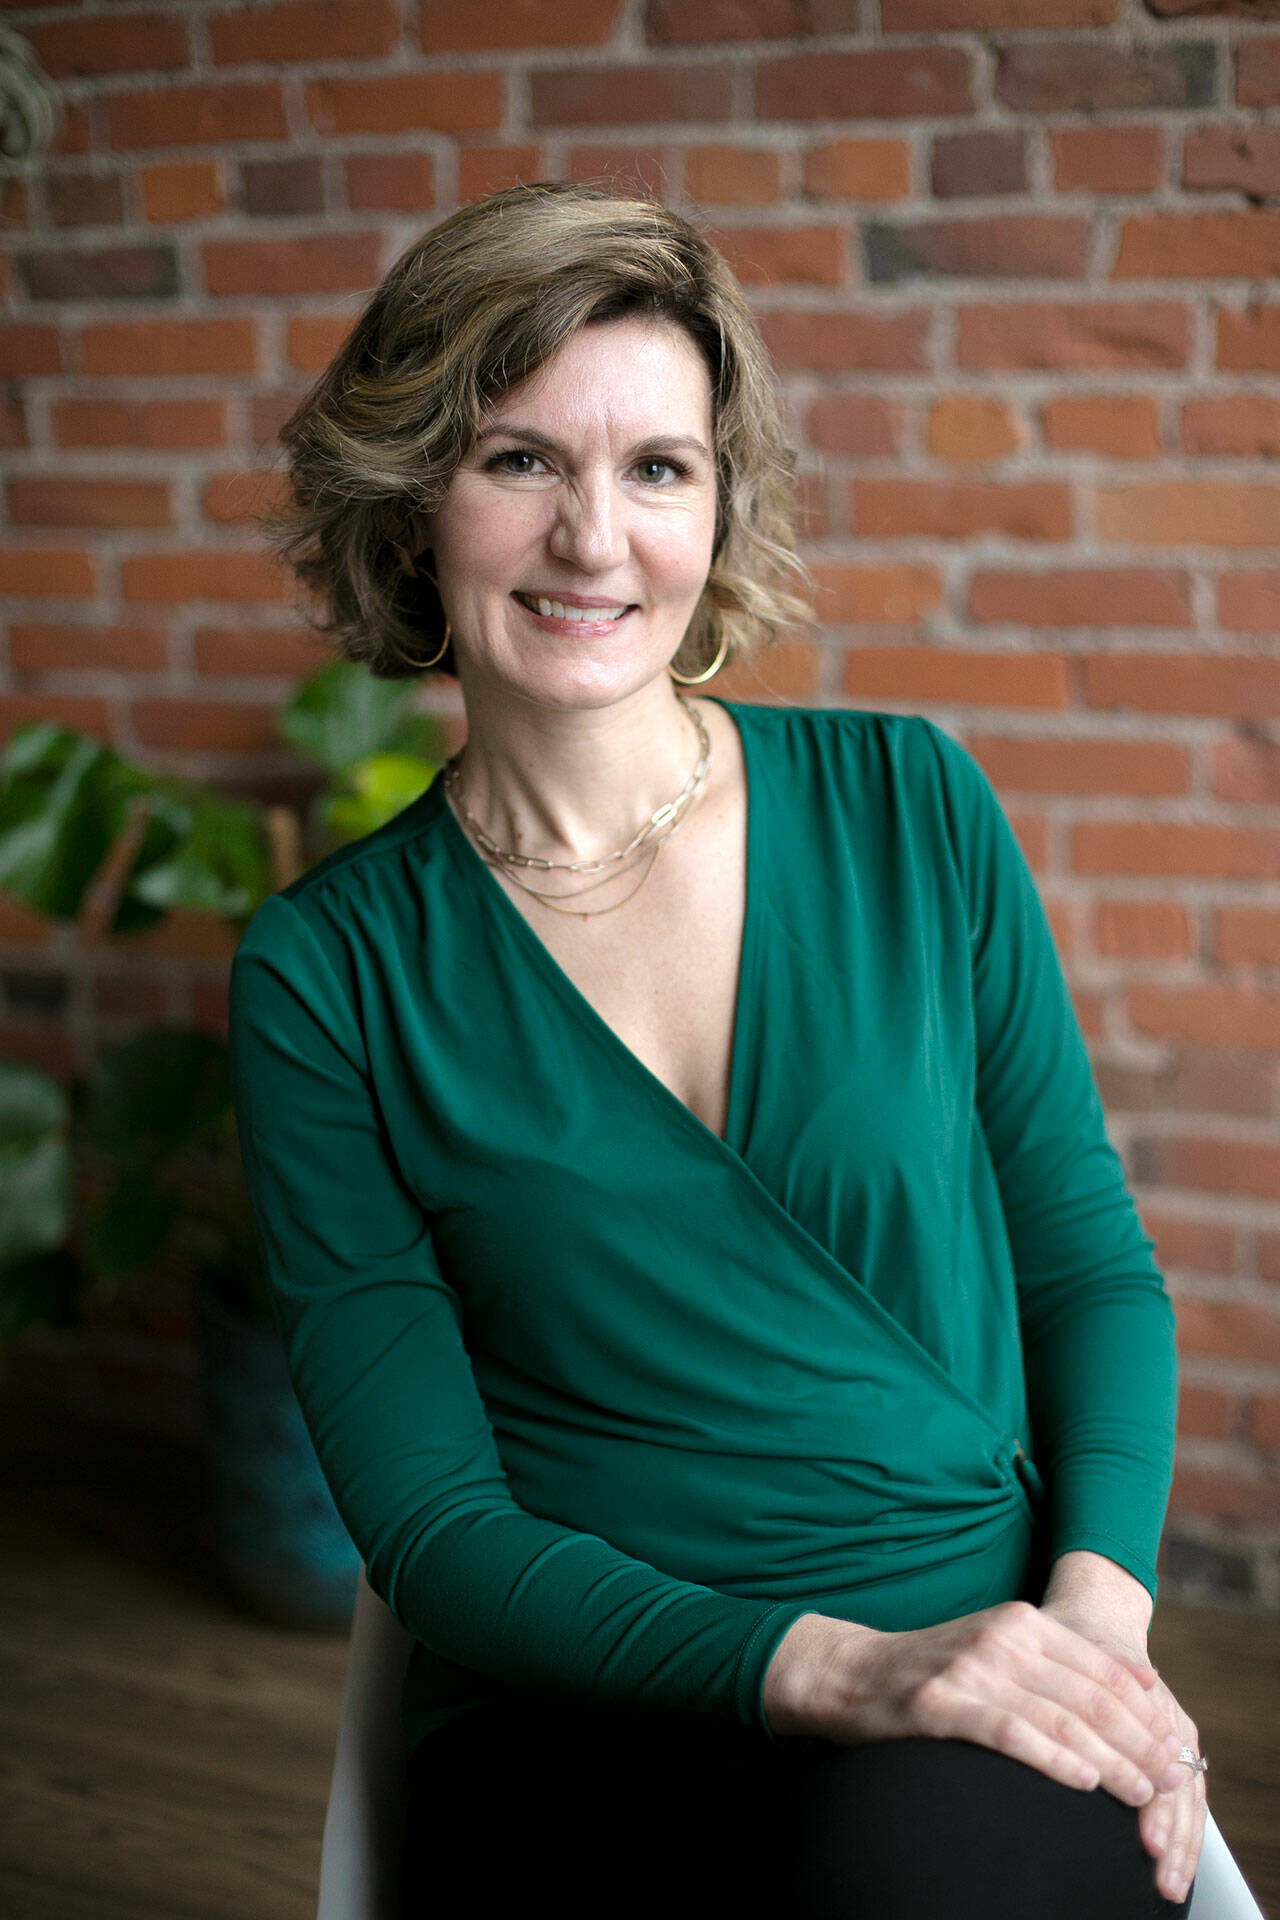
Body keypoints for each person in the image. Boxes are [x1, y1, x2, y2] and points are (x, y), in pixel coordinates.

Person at [231, 183, 1208, 1918]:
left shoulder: (915, 806)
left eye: (657, 469)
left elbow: (1089, 1276)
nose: (593, 541)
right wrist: (834, 1671)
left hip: (974, 1640)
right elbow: (439, 1532)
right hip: (590, 1699)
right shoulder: (326, 973)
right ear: (411, 502)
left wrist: (1092, 1636)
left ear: (717, 502)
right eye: (519, 460)